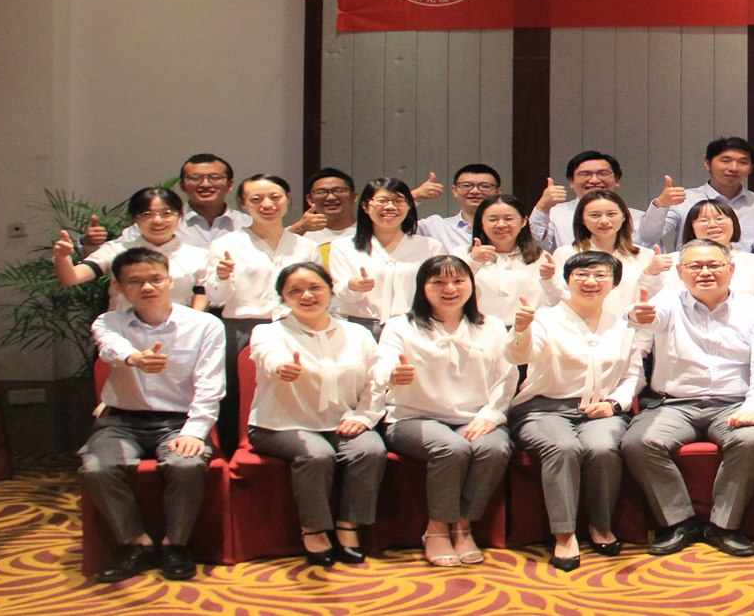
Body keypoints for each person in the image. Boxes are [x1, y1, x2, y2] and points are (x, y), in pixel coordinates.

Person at [621, 239, 754, 558]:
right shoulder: (668, 301)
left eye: (713, 265)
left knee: (751, 440)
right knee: (638, 442)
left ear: (731, 269)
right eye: (695, 266)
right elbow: (648, 316)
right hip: (674, 404)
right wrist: (636, 314)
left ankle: (723, 526)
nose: (705, 272)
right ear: (680, 272)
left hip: (734, 403)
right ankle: (679, 522)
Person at [79, 248, 226, 582]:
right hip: (121, 421)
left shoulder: (205, 325)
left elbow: (210, 385)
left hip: (179, 421)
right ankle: (136, 543)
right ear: (119, 287)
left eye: (156, 279)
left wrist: (194, 432)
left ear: (170, 280)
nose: (147, 287)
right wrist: (135, 359)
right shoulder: (109, 321)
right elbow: (110, 347)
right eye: (135, 281)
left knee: (186, 465)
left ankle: (176, 545)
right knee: (96, 467)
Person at [378, 255, 518, 568]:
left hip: (474, 417)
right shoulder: (401, 326)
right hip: (413, 417)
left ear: (471, 284)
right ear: (422, 287)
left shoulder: (491, 326)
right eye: (438, 282)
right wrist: (392, 374)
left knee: (494, 448)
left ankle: (463, 525)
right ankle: (438, 528)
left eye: (458, 281)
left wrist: (491, 415)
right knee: (451, 448)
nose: (450, 289)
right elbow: (383, 361)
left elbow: (507, 377)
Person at [246, 262, 387, 568]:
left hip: (342, 421)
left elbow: (376, 380)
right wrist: (281, 367)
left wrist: (364, 416)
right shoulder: (268, 332)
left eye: (315, 288)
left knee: (370, 449)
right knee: (316, 455)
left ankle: (348, 524)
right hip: (280, 425)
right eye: (295, 291)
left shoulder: (357, 333)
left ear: (330, 290)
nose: (306, 296)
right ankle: (314, 528)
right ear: (283, 297)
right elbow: (268, 356)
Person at [504, 251, 639, 572]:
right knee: (562, 447)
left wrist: (613, 404)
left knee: (603, 447)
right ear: (567, 280)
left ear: (614, 283)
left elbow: (633, 375)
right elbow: (518, 356)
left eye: (600, 275)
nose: (591, 281)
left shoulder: (623, 325)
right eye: (582, 275)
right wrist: (521, 330)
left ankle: (601, 525)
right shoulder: (544, 318)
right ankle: (564, 534)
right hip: (543, 409)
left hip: (601, 409)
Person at [204, 175, 320, 450]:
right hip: (241, 330)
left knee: (295, 390)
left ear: (287, 199)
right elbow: (216, 298)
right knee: (237, 394)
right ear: (244, 205)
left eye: (275, 197)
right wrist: (222, 277)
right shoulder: (227, 244)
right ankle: (234, 452)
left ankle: (294, 447)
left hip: (293, 328)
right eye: (256, 199)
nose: (267, 204)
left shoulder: (306, 246)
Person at [55, 187, 209, 313]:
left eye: (166, 213)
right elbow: (71, 278)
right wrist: (62, 257)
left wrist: (194, 324)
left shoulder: (198, 255)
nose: (157, 220)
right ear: (135, 219)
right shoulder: (117, 250)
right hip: (122, 332)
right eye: (147, 214)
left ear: (180, 216)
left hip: (178, 333)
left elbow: (203, 295)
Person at [327, 178, 446, 337]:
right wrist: (353, 286)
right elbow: (340, 292)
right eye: (382, 201)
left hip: (414, 327)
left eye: (398, 201)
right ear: (365, 206)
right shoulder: (343, 246)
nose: (390, 206)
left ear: (409, 206)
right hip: (359, 328)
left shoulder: (431, 247)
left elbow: (441, 288)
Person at [539, 190, 667, 318]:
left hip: (630, 327)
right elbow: (555, 301)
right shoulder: (566, 254)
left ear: (624, 217)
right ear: (582, 219)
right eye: (595, 215)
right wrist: (548, 279)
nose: (604, 221)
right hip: (578, 326)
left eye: (611, 214)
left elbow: (653, 303)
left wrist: (651, 274)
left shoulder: (645, 255)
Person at [638, 137, 754, 251]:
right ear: (707, 163)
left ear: (751, 168)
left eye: (743, 162)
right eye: (726, 160)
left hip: (747, 272)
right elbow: (648, 238)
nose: (733, 168)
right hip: (694, 270)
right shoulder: (683, 199)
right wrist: (661, 205)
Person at [102, 154, 250, 248]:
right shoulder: (160, 221)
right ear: (182, 185)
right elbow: (117, 251)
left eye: (214, 177)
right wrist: (93, 245)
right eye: (195, 178)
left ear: (230, 185)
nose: (205, 184)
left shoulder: (247, 224)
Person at [459, 194, 549, 328]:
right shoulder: (462, 254)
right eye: (492, 219)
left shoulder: (541, 257)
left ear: (523, 222)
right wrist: (473, 261)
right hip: (479, 330)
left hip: (529, 330)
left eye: (508, 219)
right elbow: (453, 288)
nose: (501, 225)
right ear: (481, 223)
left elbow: (554, 298)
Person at [657, 198, 754, 299]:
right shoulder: (670, 262)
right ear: (691, 227)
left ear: (734, 224)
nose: (712, 225)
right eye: (704, 220)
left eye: (719, 219)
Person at [532, 150, 644, 253]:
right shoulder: (555, 213)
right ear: (571, 181)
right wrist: (543, 206)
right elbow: (535, 247)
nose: (594, 180)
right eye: (585, 174)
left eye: (603, 173)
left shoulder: (638, 217)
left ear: (617, 180)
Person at [416, 165, 502, 252]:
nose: (475, 191)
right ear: (454, 191)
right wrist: (415, 196)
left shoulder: (507, 227)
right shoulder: (435, 226)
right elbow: (407, 230)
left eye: (485, 186)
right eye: (467, 185)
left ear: (498, 192)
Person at [298, 168, 360, 246]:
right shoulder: (299, 234)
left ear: (354, 197)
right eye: (321, 192)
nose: (331, 198)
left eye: (339, 190)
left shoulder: (370, 232)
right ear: (310, 199)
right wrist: (300, 228)